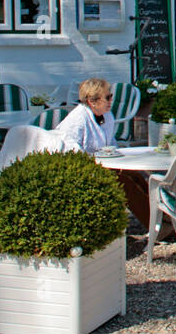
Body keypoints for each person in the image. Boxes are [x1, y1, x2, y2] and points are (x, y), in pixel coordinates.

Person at [58, 77, 160, 234]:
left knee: (136, 176)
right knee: (123, 182)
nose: (111, 100)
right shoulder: (78, 119)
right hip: (80, 169)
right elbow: (70, 150)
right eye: (107, 97)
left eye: (110, 96)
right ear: (92, 101)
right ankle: (155, 226)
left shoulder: (106, 116)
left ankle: (162, 218)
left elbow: (111, 143)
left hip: (103, 164)